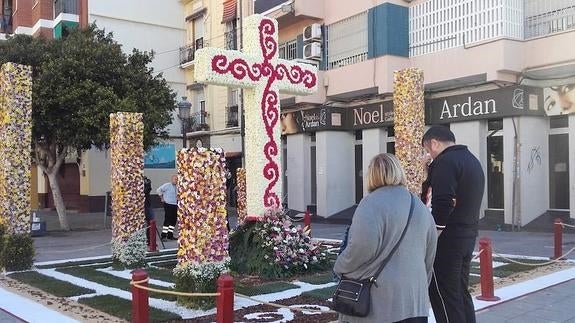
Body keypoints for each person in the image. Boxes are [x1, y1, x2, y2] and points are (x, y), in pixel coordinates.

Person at [334, 153, 437, 323]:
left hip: (379, 305)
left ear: (372, 175)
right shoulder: (419, 206)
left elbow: (362, 247)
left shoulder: (370, 204)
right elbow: (430, 254)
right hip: (414, 302)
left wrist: (340, 265)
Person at [421, 126, 485, 323]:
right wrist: (429, 169)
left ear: (434, 143)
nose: (428, 155)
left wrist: (433, 235)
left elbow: (442, 202)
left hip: (447, 241)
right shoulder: (471, 160)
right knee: (459, 292)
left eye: (427, 150)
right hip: (466, 236)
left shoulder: (445, 162)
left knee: (443, 295)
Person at [156, 174, 178, 241]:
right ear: (172, 179)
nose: (176, 181)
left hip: (175, 204)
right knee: (167, 220)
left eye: (177, 179)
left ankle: (170, 235)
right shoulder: (167, 185)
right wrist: (162, 198)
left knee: (173, 220)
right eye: (175, 179)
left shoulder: (177, 187)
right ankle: (163, 236)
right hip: (168, 204)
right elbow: (158, 190)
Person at [143, 176, 154, 244]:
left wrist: (147, 184)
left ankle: (149, 239)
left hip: (147, 205)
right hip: (140, 205)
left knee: (151, 222)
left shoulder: (147, 183)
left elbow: (147, 191)